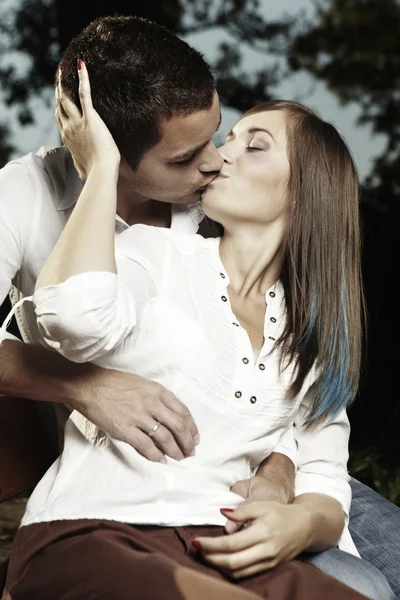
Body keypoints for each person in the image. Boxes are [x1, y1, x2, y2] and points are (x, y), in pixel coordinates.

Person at [0, 14, 398, 598]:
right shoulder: (26, 199)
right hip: (125, 489)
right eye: (187, 158)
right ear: (105, 152)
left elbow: (293, 400)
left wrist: (282, 471)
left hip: (241, 479)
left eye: (222, 135)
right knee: (362, 583)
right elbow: (81, 318)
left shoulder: (220, 208)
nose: (214, 161)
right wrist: (82, 385)